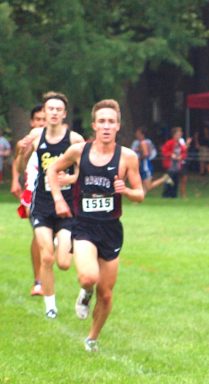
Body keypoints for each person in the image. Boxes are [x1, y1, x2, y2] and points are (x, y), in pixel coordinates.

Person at [45, 99, 144, 351]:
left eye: (111, 121)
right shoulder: (80, 151)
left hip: (111, 229)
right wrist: (58, 200)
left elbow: (140, 194)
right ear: (94, 125)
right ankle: (85, 292)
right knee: (89, 277)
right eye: (102, 121)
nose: (106, 126)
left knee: (107, 293)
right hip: (84, 226)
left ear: (118, 126)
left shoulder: (128, 157)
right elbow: (53, 170)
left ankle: (92, 338)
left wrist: (127, 191)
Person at [15, 92, 85, 318]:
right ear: (44, 113)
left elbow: (85, 172)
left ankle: (59, 239)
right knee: (46, 256)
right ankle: (50, 307)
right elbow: (23, 162)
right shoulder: (36, 135)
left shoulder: (74, 140)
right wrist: (21, 151)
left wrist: (70, 179)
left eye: (58, 109)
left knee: (64, 263)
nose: (53, 112)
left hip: (66, 205)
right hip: (42, 203)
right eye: (50, 109)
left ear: (64, 114)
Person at [10, 105, 46, 296]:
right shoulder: (28, 141)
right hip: (34, 192)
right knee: (38, 235)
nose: (41, 123)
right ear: (32, 122)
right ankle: (38, 282)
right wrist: (16, 180)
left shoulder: (60, 140)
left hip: (57, 193)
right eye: (38, 120)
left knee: (53, 240)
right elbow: (19, 161)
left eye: (44, 119)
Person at [132, 127, 171, 195]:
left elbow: (146, 154)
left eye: (138, 133)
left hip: (145, 166)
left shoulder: (143, 143)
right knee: (143, 185)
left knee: (148, 186)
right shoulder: (142, 142)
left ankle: (164, 178)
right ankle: (138, 201)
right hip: (144, 165)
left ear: (142, 135)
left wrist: (139, 157)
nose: (136, 134)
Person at [160, 127, 190, 199]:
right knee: (168, 180)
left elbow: (184, 152)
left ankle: (173, 195)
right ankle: (166, 194)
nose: (179, 136)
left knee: (175, 181)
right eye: (178, 134)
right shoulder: (170, 143)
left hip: (177, 166)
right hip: (170, 165)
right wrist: (171, 155)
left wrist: (181, 157)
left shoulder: (180, 144)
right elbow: (164, 151)